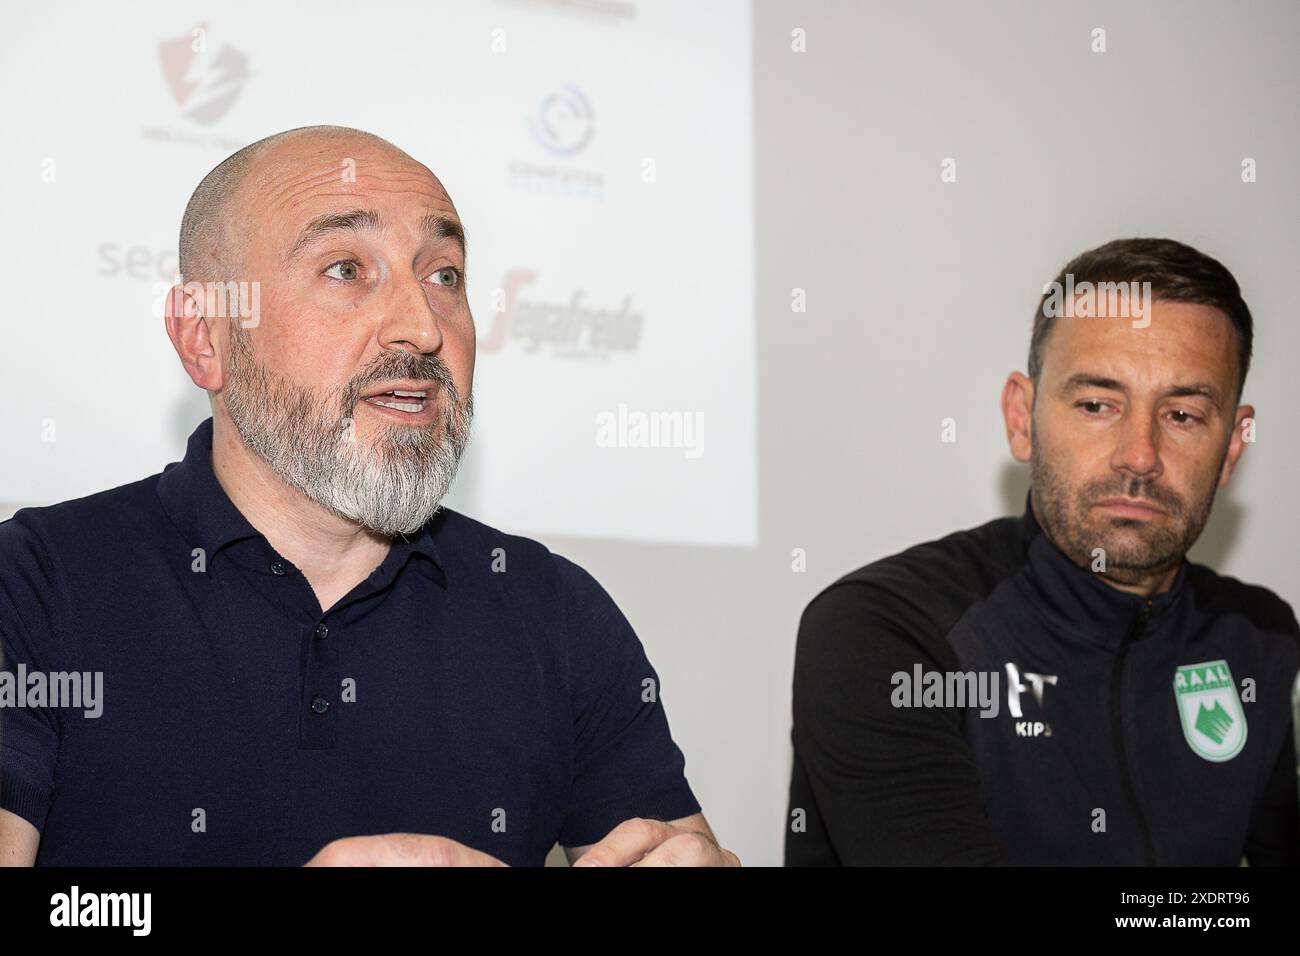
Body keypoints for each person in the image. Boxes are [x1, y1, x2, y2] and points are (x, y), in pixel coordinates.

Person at [0, 125, 737, 867]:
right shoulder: (32, 586)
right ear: (204, 336)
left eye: (444, 275)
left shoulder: (554, 611)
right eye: (347, 269)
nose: (420, 326)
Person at [786, 237, 1300, 865]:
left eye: (1184, 415)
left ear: (1232, 447)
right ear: (1022, 419)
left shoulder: (1260, 639)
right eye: (1096, 404)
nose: (1140, 454)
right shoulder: (885, 631)